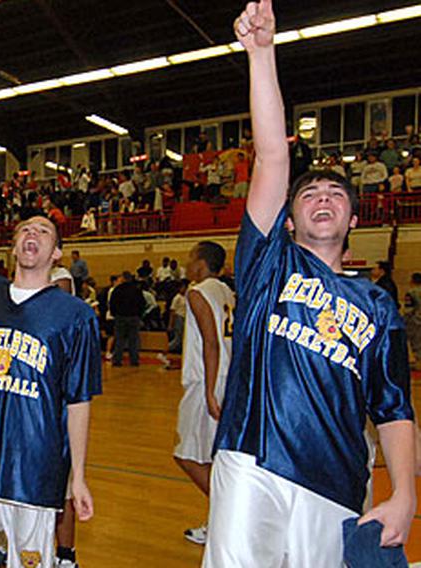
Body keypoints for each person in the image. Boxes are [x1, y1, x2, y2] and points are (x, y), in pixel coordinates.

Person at [206, 4, 416, 565]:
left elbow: (394, 408)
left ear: (352, 222)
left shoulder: (376, 303)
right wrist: (261, 53)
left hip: (338, 482)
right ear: (290, 220)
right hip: (253, 460)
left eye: (337, 194)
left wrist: (406, 495)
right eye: (310, 193)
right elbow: (274, 154)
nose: (323, 196)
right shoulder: (267, 265)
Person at [0, 216, 101, 568]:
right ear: (13, 246)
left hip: (35, 468)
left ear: (55, 252)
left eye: (44, 231)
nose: (33, 234)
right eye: (26, 229)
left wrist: (79, 477)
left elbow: (78, 402)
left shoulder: (76, 316)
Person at [172, 242, 235, 545]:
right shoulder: (226, 292)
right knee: (214, 457)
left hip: (206, 381)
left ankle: (230, 515)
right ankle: (220, 520)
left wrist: (210, 392)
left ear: (201, 263)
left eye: (190, 257)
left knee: (186, 455)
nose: (186, 263)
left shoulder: (197, 292)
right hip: (228, 378)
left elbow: (211, 343)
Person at [109, 271, 145, 367]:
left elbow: (112, 303)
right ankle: (134, 360)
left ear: (123, 278)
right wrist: (139, 314)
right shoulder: (137, 290)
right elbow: (142, 303)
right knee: (133, 339)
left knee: (119, 339)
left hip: (120, 317)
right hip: (134, 317)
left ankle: (117, 360)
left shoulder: (117, 290)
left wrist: (114, 314)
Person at [404, 272, 421, 369]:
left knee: (416, 342)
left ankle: (419, 362)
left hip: (415, 320)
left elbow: (408, 309)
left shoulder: (411, 293)